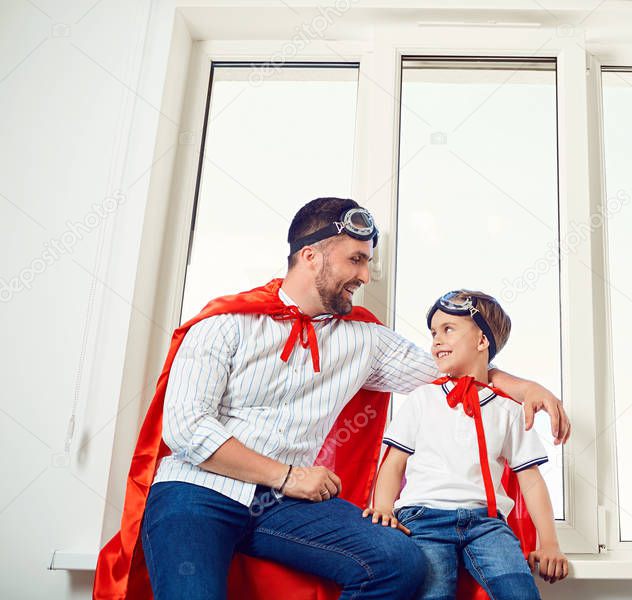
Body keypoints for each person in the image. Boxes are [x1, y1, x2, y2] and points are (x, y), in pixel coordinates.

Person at [93, 198, 571, 600]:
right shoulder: (224, 323)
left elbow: (453, 371)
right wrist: (289, 475)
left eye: (367, 262)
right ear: (312, 256)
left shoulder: (365, 340)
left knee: (400, 561)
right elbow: (187, 428)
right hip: (196, 493)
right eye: (356, 260)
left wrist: (524, 388)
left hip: (284, 505)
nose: (365, 275)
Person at [363, 290, 569, 600]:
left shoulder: (509, 410)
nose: (436, 340)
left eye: (448, 329)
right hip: (423, 519)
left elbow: (531, 482)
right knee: (433, 595)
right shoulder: (422, 399)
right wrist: (383, 507)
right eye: (433, 332)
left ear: (482, 341)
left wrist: (549, 543)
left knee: (520, 593)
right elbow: (394, 462)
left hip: (487, 525)